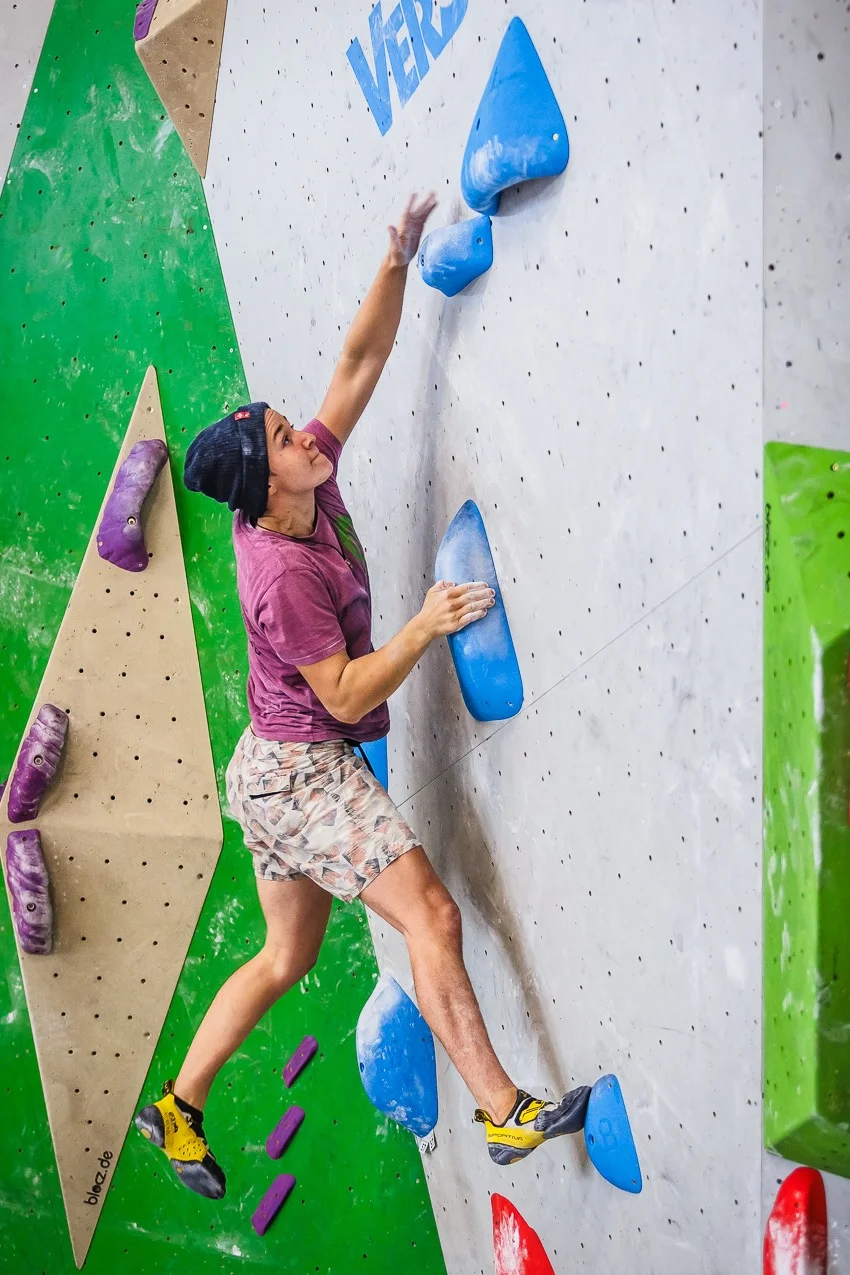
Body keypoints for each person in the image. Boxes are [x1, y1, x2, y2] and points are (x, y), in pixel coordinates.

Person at [134, 194, 589, 1199]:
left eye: (296, 429)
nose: (309, 434)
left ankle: (177, 1109)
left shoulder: (303, 487)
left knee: (284, 956)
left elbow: (357, 362)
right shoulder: (280, 578)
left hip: (262, 767)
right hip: (298, 772)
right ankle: (504, 1110)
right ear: (267, 483)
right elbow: (339, 694)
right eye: (290, 439)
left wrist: (394, 258)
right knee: (428, 910)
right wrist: (423, 626)